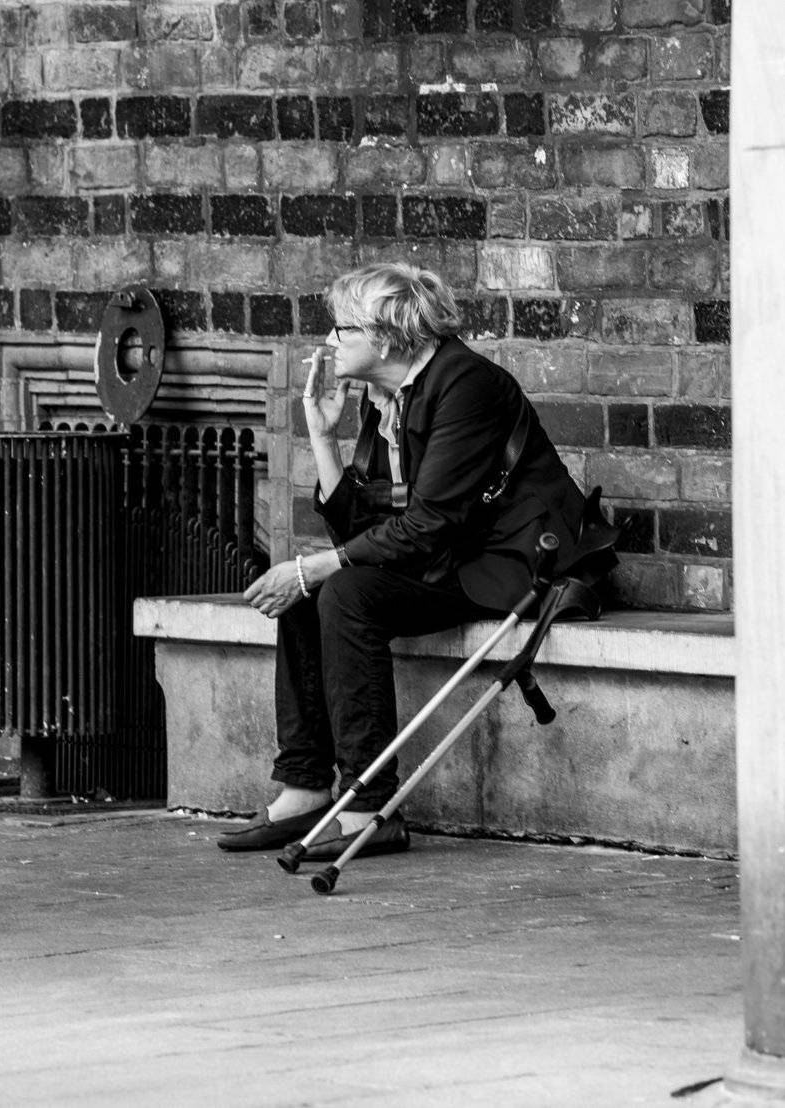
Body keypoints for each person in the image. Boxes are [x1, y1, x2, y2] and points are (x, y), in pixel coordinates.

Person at [218, 263, 611, 860]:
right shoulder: (387, 398)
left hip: (502, 566)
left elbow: (429, 526)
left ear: (384, 335)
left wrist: (319, 568)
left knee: (340, 590)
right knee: (312, 589)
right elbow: (363, 532)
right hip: (442, 559)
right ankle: (302, 788)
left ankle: (370, 806)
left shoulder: (465, 387)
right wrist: (322, 436)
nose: (330, 343)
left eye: (341, 329)